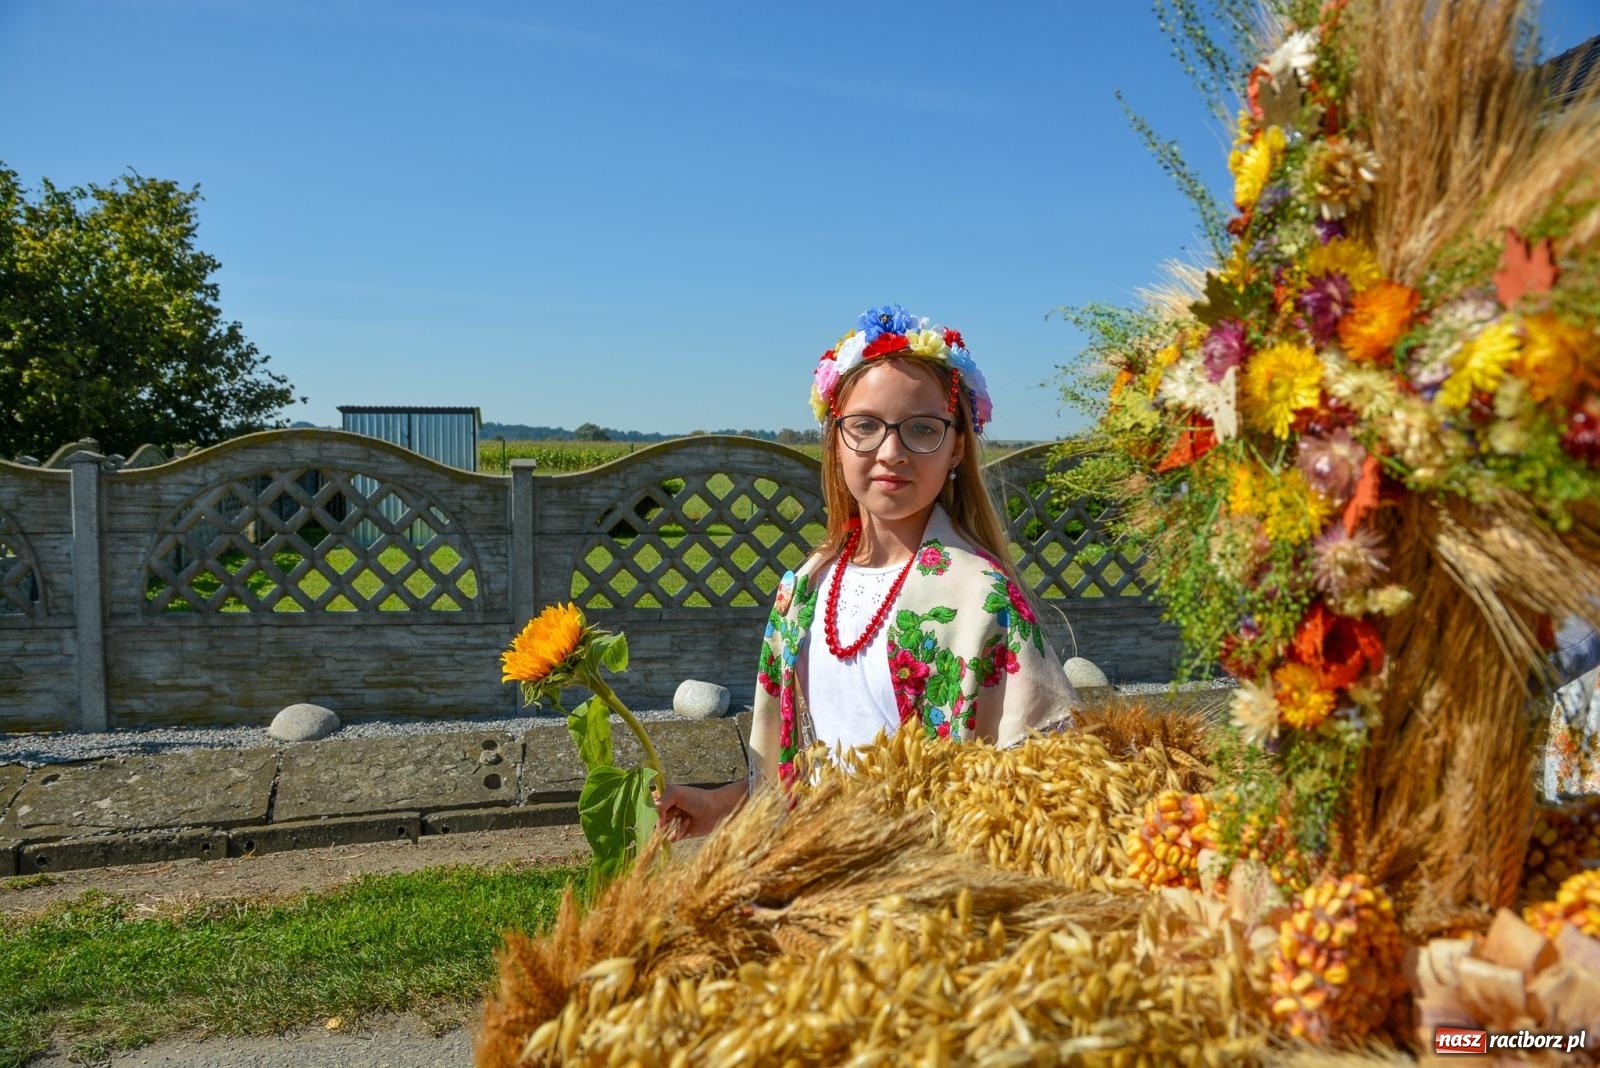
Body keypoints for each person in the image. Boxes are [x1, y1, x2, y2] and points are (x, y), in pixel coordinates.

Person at [656, 303, 1081, 838]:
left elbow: (1052, 782)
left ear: (956, 448)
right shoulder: (803, 591)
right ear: (835, 443)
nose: (891, 452)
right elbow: (815, 774)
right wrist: (726, 805)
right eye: (864, 427)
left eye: (922, 429)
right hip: (820, 890)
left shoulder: (984, 600)